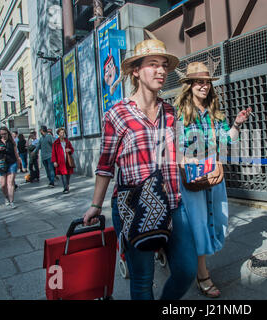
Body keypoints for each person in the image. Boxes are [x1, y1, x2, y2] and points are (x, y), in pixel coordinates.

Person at [82, 39, 198, 300]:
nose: (161, 71)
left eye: (164, 66)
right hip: (135, 205)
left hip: (172, 202)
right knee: (143, 280)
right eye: (153, 64)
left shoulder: (170, 111)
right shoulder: (117, 114)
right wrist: (96, 205)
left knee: (186, 270)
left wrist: (195, 163)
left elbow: (177, 153)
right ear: (136, 70)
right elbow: (105, 165)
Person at [174, 61, 251, 298]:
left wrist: (237, 123)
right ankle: (203, 275)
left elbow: (227, 141)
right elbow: (173, 146)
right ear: (189, 86)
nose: (204, 86)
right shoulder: (178, 115)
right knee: (198, 225)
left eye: (207, 82)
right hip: (192, 180)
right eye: (199, 82)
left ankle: (190, 263)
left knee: (213, 222)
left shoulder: (215, 115)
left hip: (214, 178)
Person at [0, 127, 21, 209]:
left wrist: (18, 162)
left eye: (5, 134)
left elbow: (16, 153)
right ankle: (6, 197)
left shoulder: (12, 141)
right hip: (1, 165)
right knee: (3, 185)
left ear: (8, 133)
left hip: (12, 163)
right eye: (1, 134)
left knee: (10, 183)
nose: (3, 136)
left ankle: (11, 201)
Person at [51, 128, 74, 194]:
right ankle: (65, 188)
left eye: (63, 133)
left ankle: (67, 184)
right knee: (63, 174)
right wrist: (54, 161)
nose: (62, 134)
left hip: (67, 160)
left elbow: (72, 149)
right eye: (61, 133)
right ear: (58, 134)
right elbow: (53, 153)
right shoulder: (56, 143)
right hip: (60, 161)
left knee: (68, 174)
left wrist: (69, 150)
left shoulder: (67, 141)